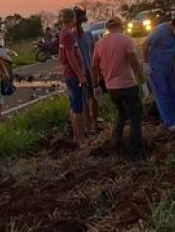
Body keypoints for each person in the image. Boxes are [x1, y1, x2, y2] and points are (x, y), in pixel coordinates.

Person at [92, 16, 145, 158]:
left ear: (107, 29)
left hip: (112, 88)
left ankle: (115, 142)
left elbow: (94, 67)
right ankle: (136, 149)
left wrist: (96, 85)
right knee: (135, 117)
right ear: (121, 26)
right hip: (128, 85)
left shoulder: (99, 44)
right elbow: (134, 62)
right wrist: (143, 82)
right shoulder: (126, 40)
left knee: (121, 113)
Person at [142, 15, 175, 134]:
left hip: (169, 67)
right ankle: (168, 122)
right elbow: (145, 44)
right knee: (162, 93)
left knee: (172, 92)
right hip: (156, 68)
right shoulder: (160, 30)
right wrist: (146, 63)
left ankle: (174, 118)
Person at [59, 9, 87, 147]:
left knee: (73, 105)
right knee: (78, 108)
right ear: (72, 18)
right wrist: (80, 76)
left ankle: (76, 137)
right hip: (73, 75)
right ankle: (81, 139)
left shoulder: (64, 33)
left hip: (69, 74)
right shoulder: (68, 35)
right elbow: (70, 57)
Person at [75, 9, 99, 133]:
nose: (84, 21)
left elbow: (94, 49)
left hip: (91, 69)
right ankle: (88, 126)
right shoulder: (72, 35)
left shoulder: (88, 31)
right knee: (84, 100)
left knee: (94, 97)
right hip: (80, 73)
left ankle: (94, 123)